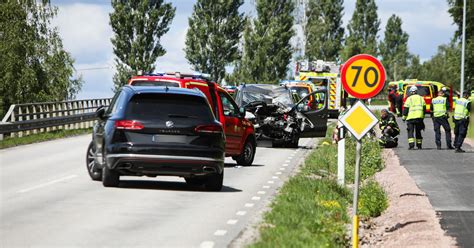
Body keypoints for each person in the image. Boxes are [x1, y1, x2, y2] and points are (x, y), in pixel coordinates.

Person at [403, 85, 426, 150]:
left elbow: (406, 109)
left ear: (411, 92)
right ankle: (419, 146)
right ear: (416, 91)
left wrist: (404, 117)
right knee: (418, 131)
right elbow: (424, 108)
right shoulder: (421, 98)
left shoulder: (409, 99)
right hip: (419, 117)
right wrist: (423, 116)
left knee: (410, 132)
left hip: (410, 118)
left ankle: (411, 146)